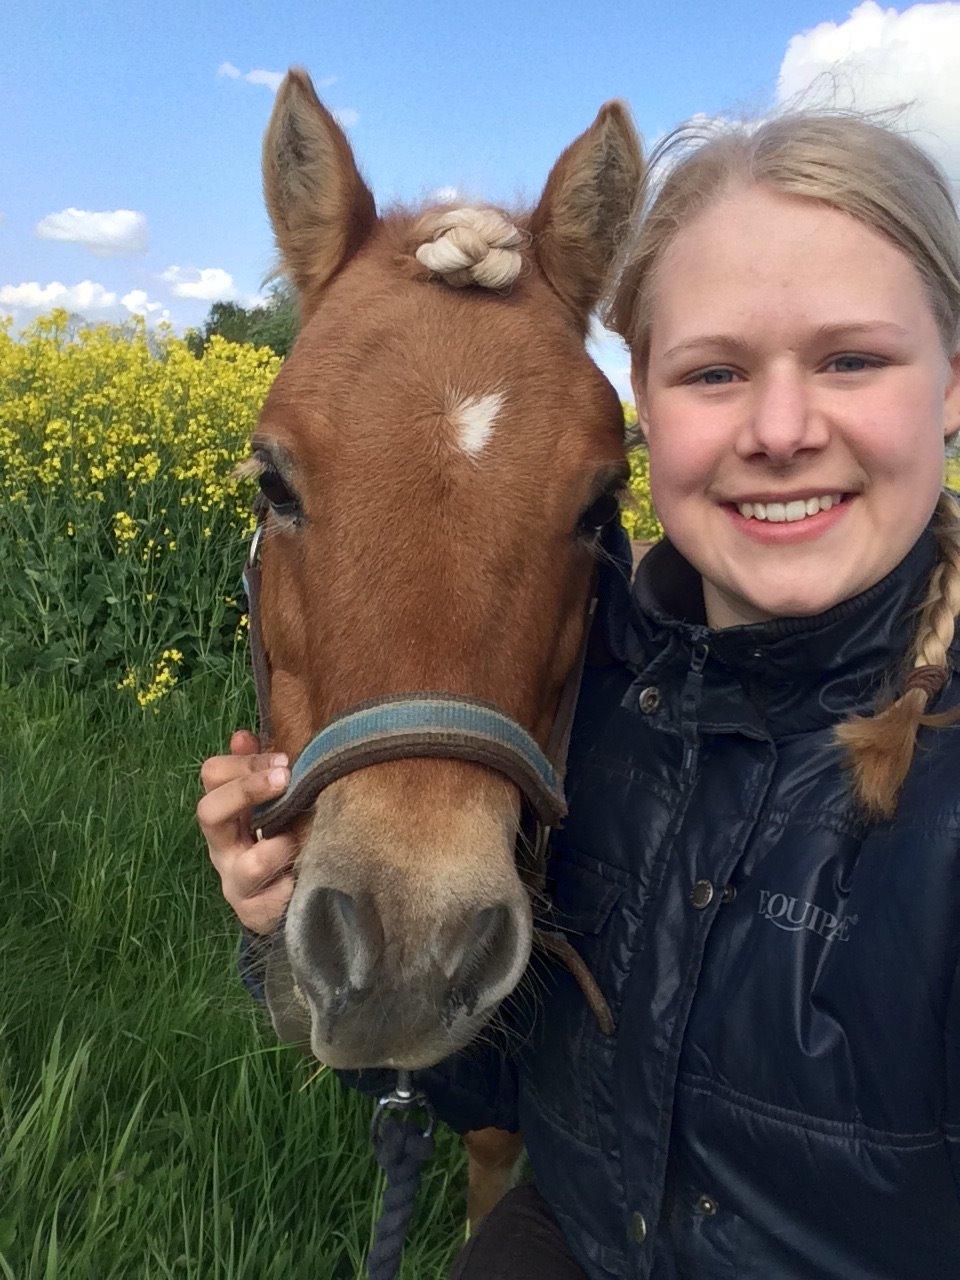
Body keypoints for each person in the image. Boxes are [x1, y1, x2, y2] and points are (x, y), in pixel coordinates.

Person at [198, 108, 960, 1278]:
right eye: (714, 370)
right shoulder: (606, 706)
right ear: (649, 401)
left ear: (953, 384)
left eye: (853, 358)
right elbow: (516, 1073)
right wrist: (283, 925)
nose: (782, 429)